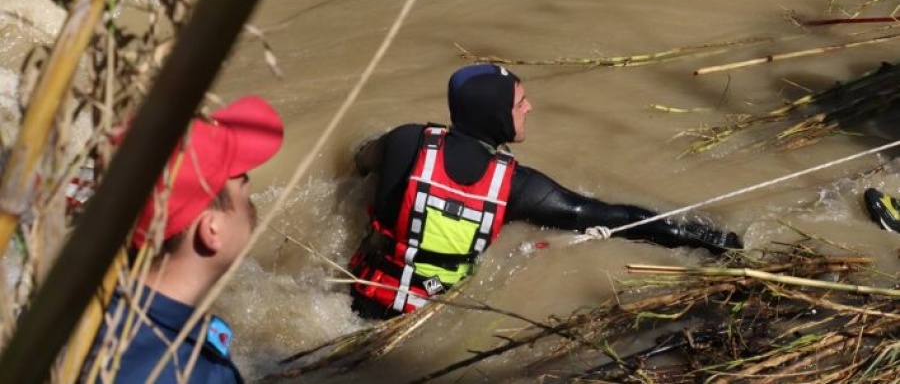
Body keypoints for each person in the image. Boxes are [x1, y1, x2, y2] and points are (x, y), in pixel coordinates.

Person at [347, 64, 742, 319]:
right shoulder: (516, 186)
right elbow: (611, 217)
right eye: (520, 103)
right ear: (496, 116)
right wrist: (705, 240)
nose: (530, 108)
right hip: (426, 316)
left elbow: (360, 162)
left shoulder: (404, 140)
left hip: (358, 297)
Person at [85, 96, 284, 383]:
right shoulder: (195, 373)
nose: (249, 185)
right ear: (211, 230)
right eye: (240, 178)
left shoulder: (84, 311)